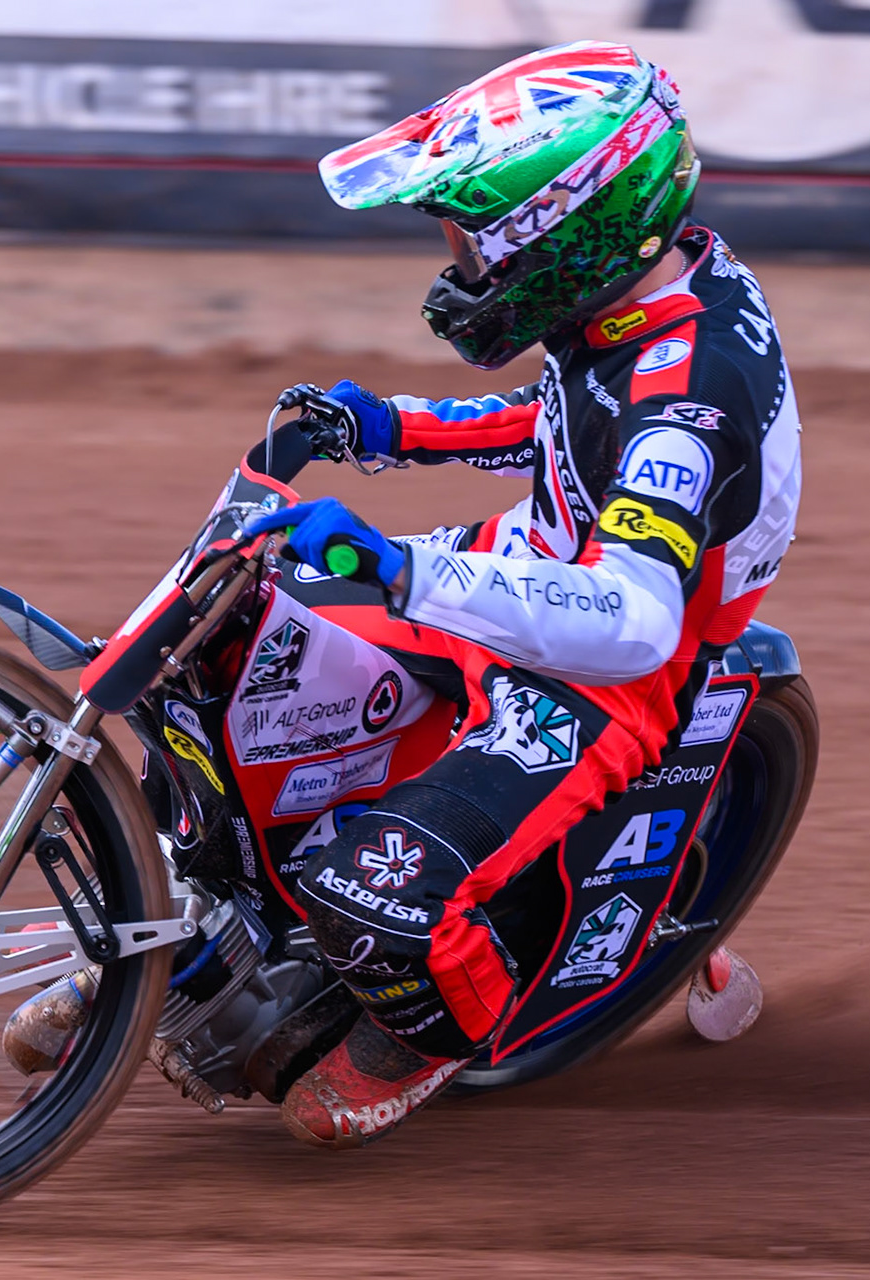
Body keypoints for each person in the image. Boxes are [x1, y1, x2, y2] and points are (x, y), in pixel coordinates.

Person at [239, 38, 803, 1148]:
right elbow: (563, 425)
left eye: (473, 241)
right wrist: (389, 427)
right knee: (244, 628)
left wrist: (402, 568)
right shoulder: (647, 290)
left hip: (605, 668)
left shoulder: (686, 403)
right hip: (530, 563)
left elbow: (635, 621)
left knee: (369, 899)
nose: (456, 267)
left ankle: (437, 1035)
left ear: (568, 233)